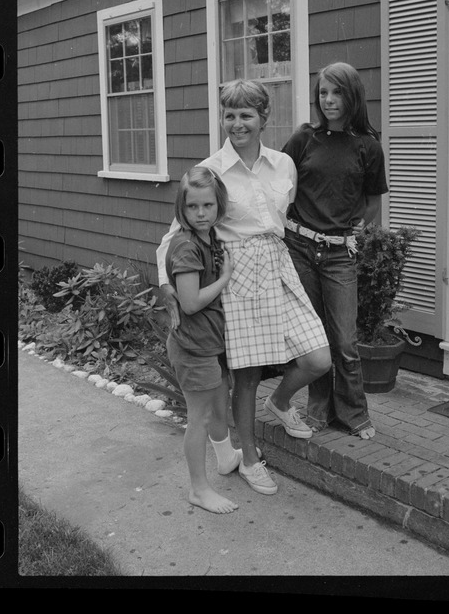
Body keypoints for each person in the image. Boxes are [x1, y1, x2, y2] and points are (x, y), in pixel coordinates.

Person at [157, 80, 331, 496]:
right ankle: (250, 459)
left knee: (318, 358)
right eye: (230, 115)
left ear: (263, 119)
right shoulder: (211, 169)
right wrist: (167, 284)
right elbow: (175, 233)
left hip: (278, 264)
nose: (237, 124)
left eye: (246, 115)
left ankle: (282, 402)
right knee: (247, 376)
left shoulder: (283, 164)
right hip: (236, 275)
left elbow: (284, 219)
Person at [281, 62, 389, 440]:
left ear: (352, 96)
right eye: (323, 92)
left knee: (344, 340)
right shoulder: (303, 139)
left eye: (337, 92)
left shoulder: (368, 147)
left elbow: (372, 203)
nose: (329, 100)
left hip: (340, 254)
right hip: (298, 248)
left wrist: (360, 226)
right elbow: (280, 186)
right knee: (314, 339)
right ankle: (318, 411)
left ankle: (354, 414)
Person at [164, 166, 239, 514]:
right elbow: (190, 302)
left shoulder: (208, 238)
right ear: (182, 207)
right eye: (192, 207)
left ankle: (225, 461)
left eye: (207, 205)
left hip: (208, 343)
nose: (200, 213)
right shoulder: (186, 246)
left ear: (218, 205)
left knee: (218, 408)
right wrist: (224, 278)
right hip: (193, 347)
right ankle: (198, 489)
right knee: (201, 418)